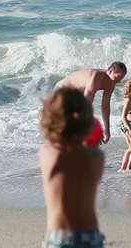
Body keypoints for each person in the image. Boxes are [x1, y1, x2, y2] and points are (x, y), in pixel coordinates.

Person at [39, 87, 106, 248]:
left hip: (59, 236)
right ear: (87, 123)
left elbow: (53, 142)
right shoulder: (96, 158)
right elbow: (93, 145)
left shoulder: (48, 155)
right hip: (90, 235)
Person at [55, 61, 127, 143]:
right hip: (62, 90)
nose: (119, 81)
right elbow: (86, 103)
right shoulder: (97, 76)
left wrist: (107, 130)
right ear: (109, 71)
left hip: (75, 96)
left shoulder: (112, 83)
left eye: (121, 78)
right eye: (118, 77)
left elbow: (105, 106)